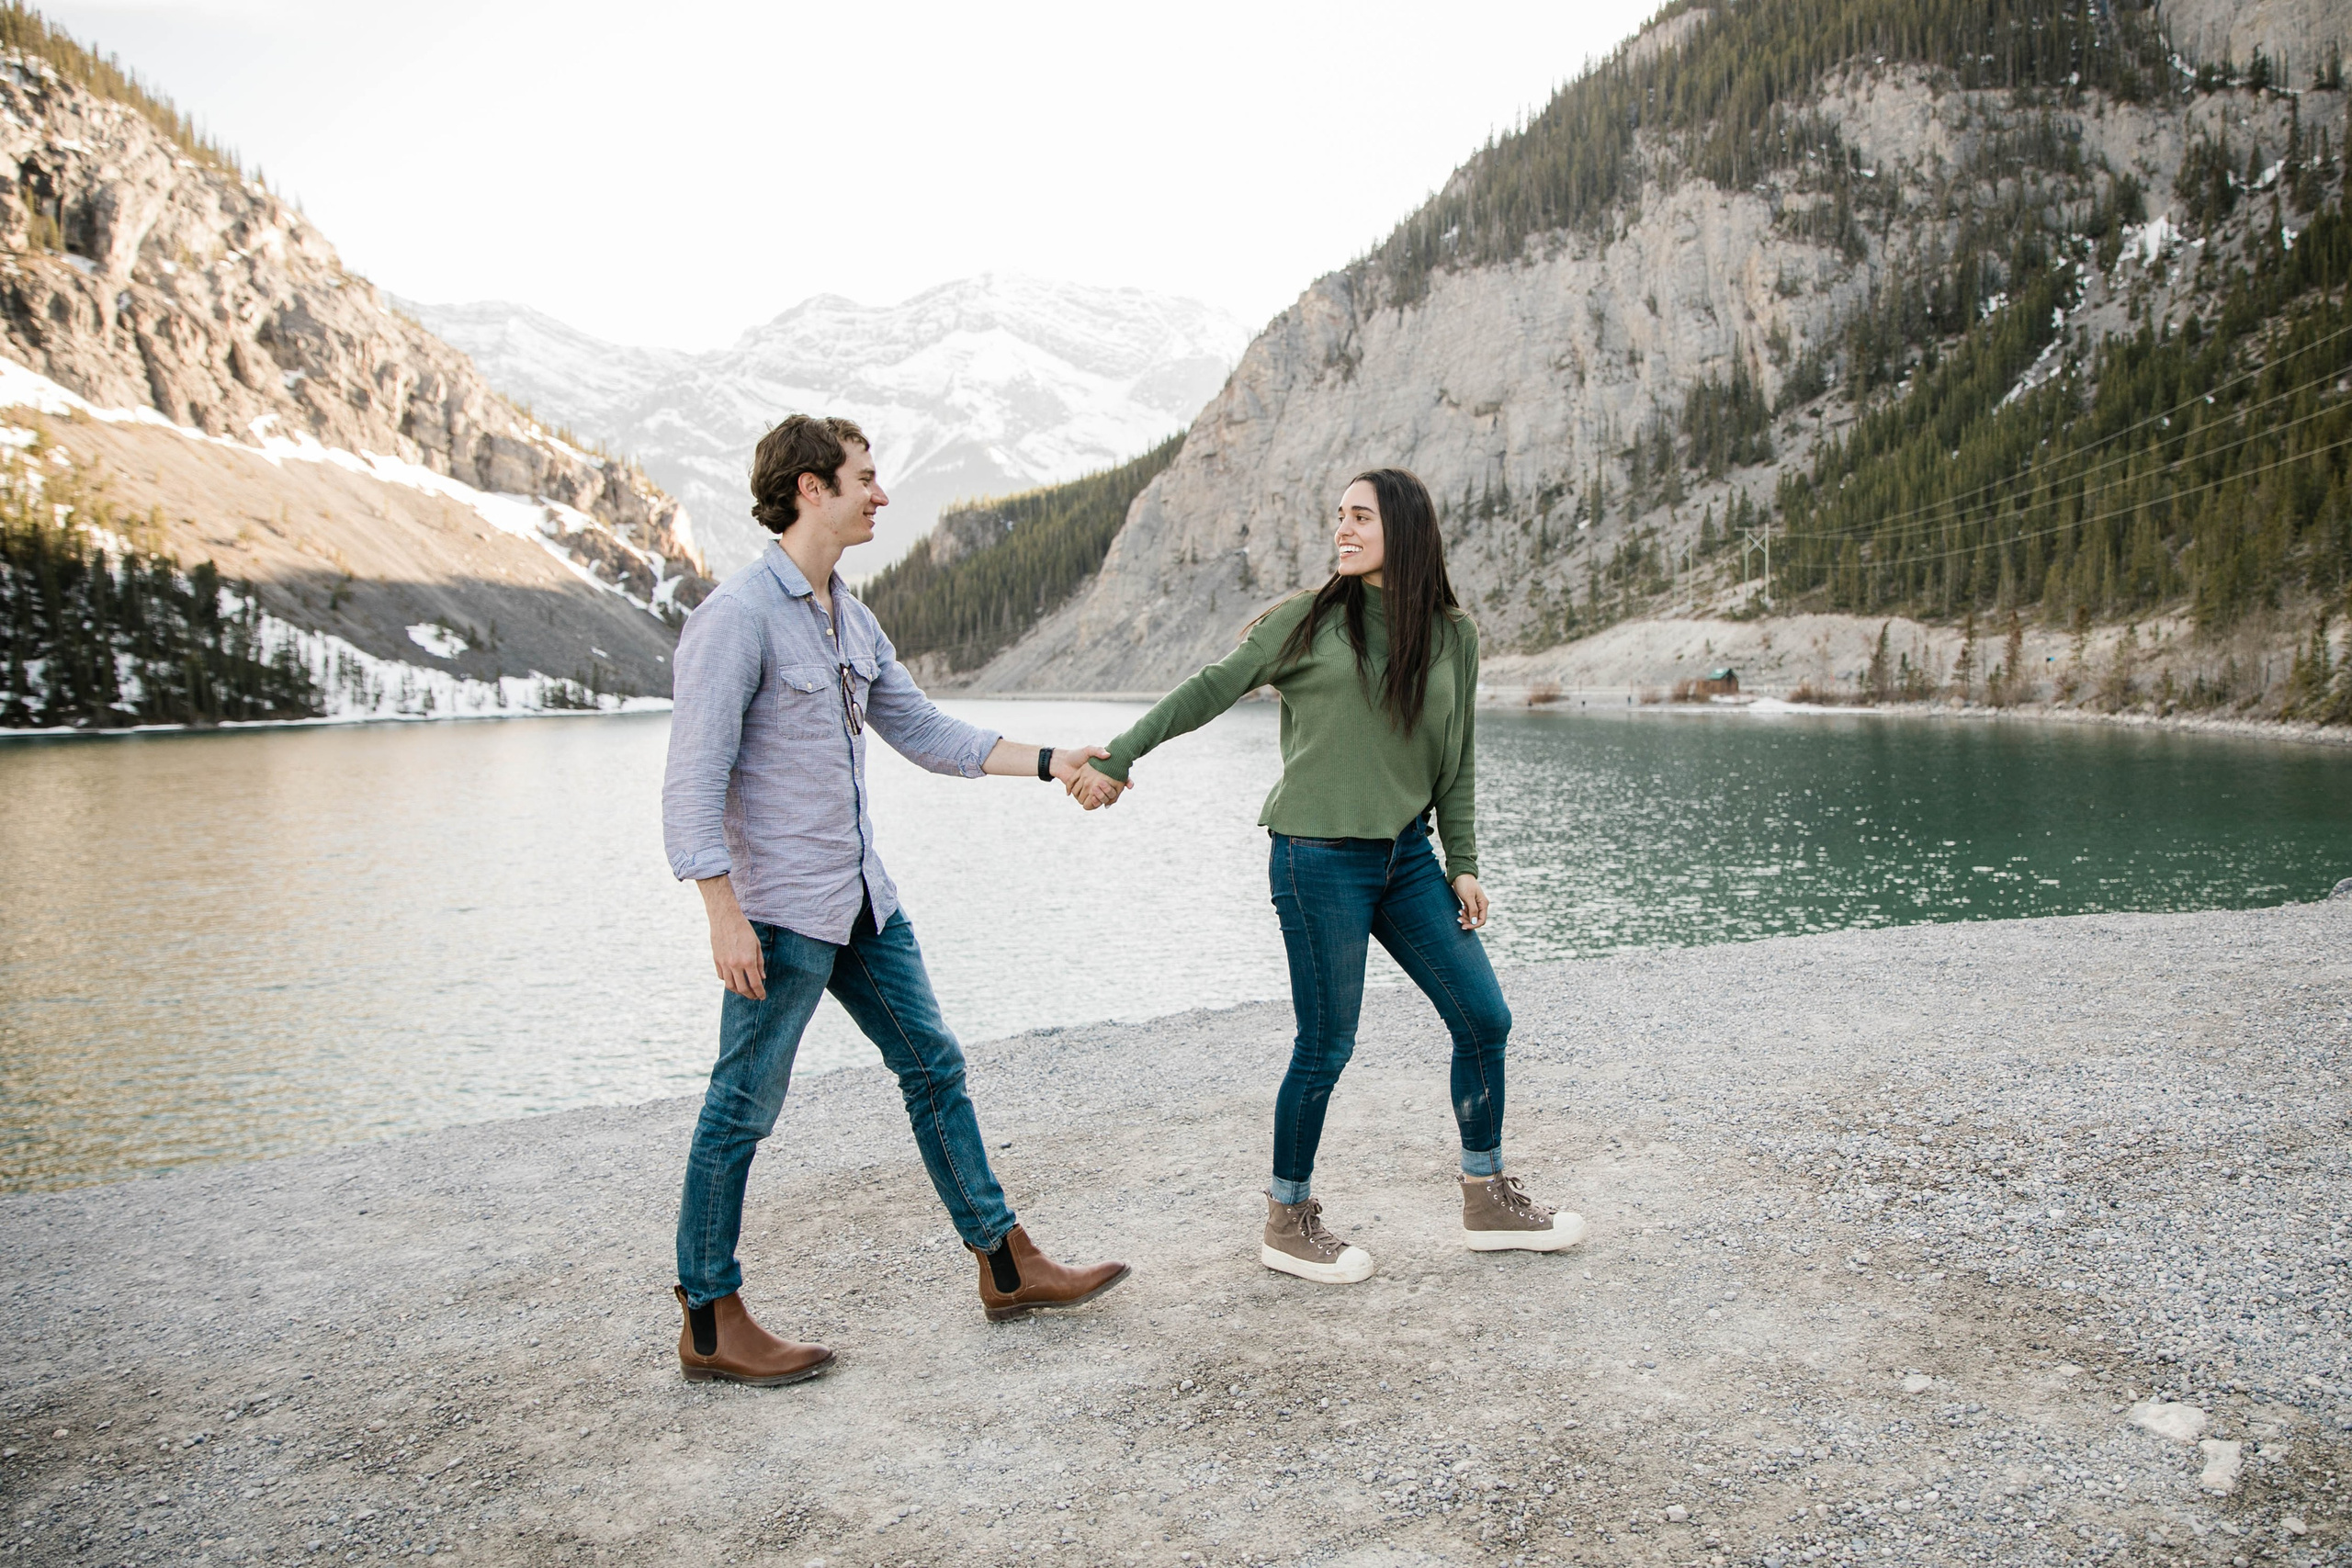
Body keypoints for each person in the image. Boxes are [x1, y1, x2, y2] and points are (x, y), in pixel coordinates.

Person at [662, 413, 1130, 1385]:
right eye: (863, 479)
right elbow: (690, 781)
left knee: (934, 1066)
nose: (880, 496)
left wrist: (1052, 763)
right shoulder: (738, 616)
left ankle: (1004, 1264)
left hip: (863, 903)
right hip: (781, 916)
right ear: (808, 488)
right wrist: (720, 912)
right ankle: (709, 1317)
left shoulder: (847, 613)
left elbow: (918, 730)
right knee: (741, 1108)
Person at [1070, 468, 1583, 1284]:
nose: (1342, 530)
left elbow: (1457, 759)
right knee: (1327, 1043)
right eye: (1338, 517)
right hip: (1316, 859)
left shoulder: (1454, 635)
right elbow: (1208, 690)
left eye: (1360, 517)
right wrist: (1120, 756)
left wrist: (1466, 863)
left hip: (1408, 859)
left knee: (1485, 1018)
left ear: (1405, 530)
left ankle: (1485, 1195)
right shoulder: (1303, 621)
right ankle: (1286, 1217)